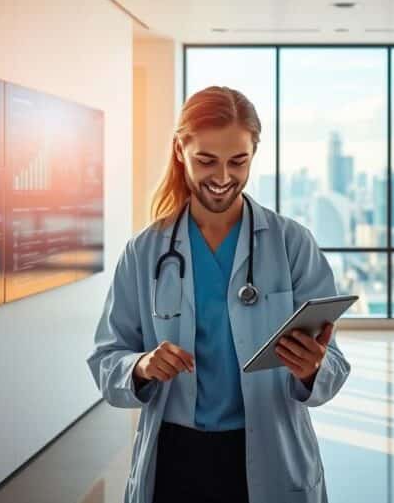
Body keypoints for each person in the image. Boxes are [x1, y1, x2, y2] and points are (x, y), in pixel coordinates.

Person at [87, 86, 350, 503]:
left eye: (238, 161)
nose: (223, 177)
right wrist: (141, 365)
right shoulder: (146, 251)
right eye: (206, 160)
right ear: (180, 150)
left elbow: (334, 362)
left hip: (269, 449)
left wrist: (311, 369)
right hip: (176, 457)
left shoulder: (292, 243)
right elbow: (106, 359)